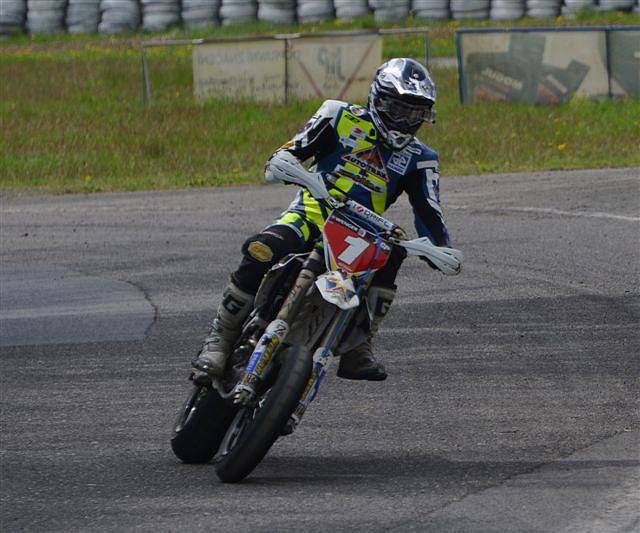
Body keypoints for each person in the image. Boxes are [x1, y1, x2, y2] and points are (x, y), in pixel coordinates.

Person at [193, 57, 451, 382]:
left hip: (363, 234)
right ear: (378, 98)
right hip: (311, 214)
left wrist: (441, 249)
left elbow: (431, 213)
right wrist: (290, 167)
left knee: (394, 253)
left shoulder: (422, 158)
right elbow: (287, 154)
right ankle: (219, 338)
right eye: (397, 109)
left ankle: (359, 347)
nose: (403, 120)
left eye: (414, 113)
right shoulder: (338, 115)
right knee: (261, 248)